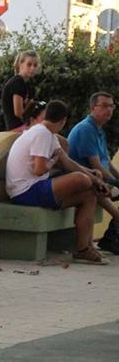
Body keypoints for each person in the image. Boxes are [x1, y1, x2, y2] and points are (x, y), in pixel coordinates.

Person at [5, 99, 109, 264]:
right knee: (82, 180)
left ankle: (83, 249)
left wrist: (92, 174)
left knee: (89, 194)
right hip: (25, 191)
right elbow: (39, 169)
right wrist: (89, 178)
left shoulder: (48, 133)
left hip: (37, 188)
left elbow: (67, 161)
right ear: (63, 121)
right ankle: (102, 194)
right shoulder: (41, 134)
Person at [67, 91, 119, 253]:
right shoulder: (86, 129)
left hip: (97, 182)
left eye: (112, 106)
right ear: (92, 108)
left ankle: (111, 239)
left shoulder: (98, 129)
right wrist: (116, 183)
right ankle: (111, 240)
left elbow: (107, 163)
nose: (109, 110)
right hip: (88, 184)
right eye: (104, 106)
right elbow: (97, 166)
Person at [1, 49, 39, 131]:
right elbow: (18, 112)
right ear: (20, 65)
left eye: (35, 65)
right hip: (17, 127)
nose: (32, 68)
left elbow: (30, 108)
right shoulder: (17, 82)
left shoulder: (28, 85)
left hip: (25, 125)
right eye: (29, 65)